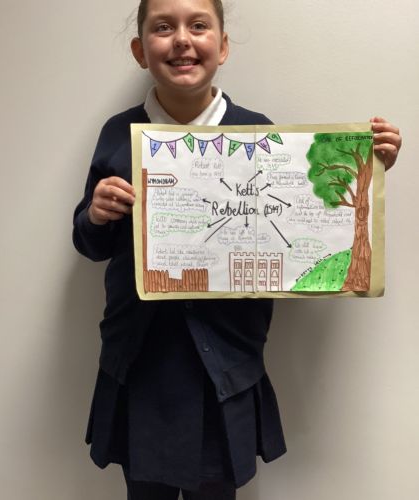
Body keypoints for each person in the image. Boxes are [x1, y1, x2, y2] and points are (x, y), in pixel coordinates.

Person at [72, 1, 402, 499]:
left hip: (226, 362)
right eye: (163, 27)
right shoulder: (118, 134)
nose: (182, 39)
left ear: (223, 46)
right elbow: (89, 242)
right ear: (140, 51)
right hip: (141, 359)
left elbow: (296, 220)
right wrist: (96, 214)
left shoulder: (259, 132)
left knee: (216, 490)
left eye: (198, 25)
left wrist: (367, 167)